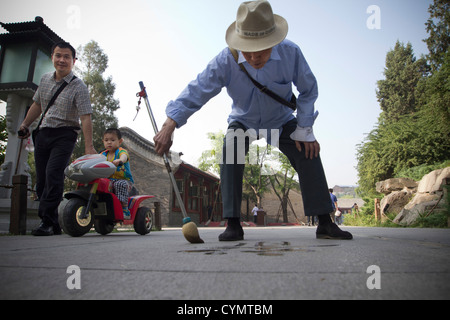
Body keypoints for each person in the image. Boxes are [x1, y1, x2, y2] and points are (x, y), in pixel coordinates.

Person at [153, 0, 352, 241]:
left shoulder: (291, 53)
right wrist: (169, 124)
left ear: (274, 41)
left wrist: (305, 128)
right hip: (243, 120)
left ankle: (324, 222)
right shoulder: (225, 60)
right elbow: (198, 90)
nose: (255, 58)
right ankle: (233, 223)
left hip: (281, 120)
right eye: (248, 52)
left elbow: (308, 90)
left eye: (262, 51)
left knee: (308, 150)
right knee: (230, 150)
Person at [19, 41, 96, 236]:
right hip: (43, 133)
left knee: (54, 174)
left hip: (65, 134)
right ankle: (53, 223)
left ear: (74, 60)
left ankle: (46, 221)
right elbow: (37, 104)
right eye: (58, 55)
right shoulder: (45, 79)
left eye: (66, 57)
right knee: (43, 179)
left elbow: (85, 116)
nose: (62, 60)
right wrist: (25, 124)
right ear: (52, 57)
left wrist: (89, 146)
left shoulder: (79, 86)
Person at [100, 128, 134, 219]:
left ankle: (125, 209)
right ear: (103, 141)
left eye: (112, 140)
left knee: (119, 184)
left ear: (120, 141)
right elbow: (96, 160)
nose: (109, 142)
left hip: (125, 181)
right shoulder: (103, 154)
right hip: (110, 180)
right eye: (106, 140)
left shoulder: (121, 151)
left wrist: (120, 160)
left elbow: (124, 156)